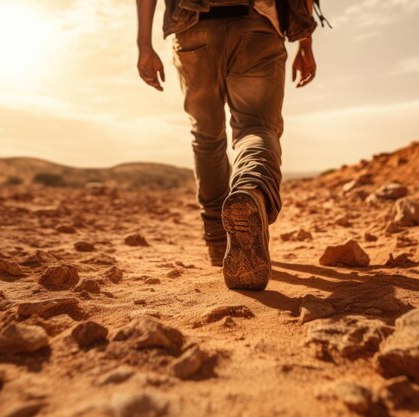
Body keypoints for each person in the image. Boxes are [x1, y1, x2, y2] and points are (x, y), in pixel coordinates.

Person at [136, 0, 317, 290]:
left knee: (207, 137)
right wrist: (305, 43)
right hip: (257, 23)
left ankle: (220, 243)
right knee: (256, 127)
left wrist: (144, 44)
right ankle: (250, 190)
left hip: (192, 28)